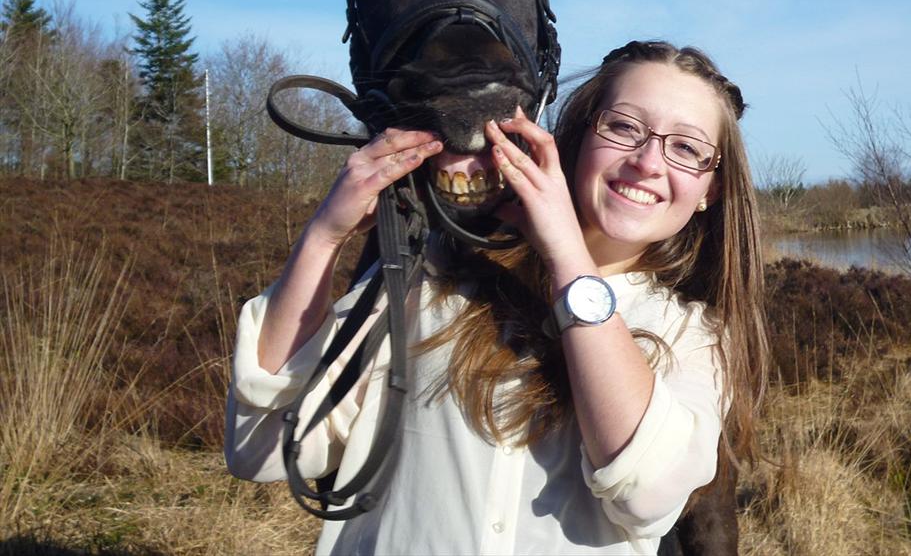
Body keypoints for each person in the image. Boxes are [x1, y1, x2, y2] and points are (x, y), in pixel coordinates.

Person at [225, 40, 768, 555]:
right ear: (579, 138)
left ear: (711, 191)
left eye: (687, 148)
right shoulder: (433, 278)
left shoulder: (695, 340)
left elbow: (645, 493)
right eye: (624, 127)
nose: (649, 162)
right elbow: (263, 445)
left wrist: (564, 254)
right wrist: (324, 237)